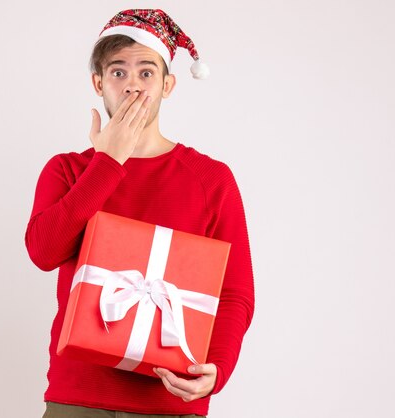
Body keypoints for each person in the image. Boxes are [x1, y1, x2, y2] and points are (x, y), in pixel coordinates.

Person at [24, 9, 255, 418]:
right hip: (76, 396)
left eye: (146, 73)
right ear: (98, 83)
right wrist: (109, 162)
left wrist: (215, 369)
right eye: (118, 72)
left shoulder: (211, 179)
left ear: (168, 85)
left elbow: (234, 293)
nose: (132, 85)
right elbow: (44, 252)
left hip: (169, 399)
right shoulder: (67, 170)